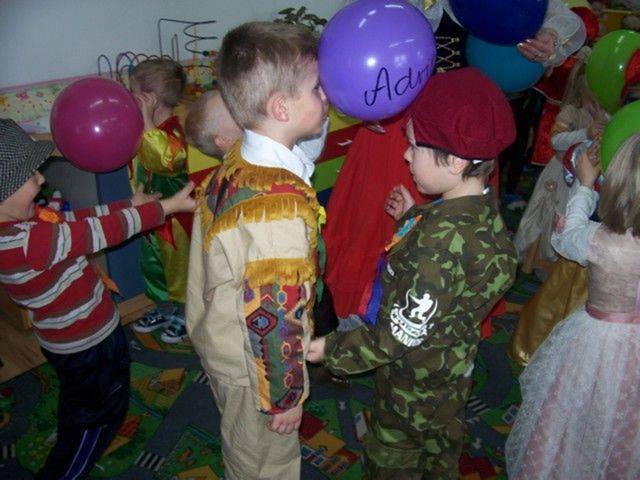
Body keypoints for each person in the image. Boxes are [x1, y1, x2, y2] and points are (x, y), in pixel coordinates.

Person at [307, 67, 518, 479]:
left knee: (393, 453)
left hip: (412, 381)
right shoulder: (482, 207)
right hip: (453, 367)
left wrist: (328, 350)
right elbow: (477, 257)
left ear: (454, 161)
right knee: (441, 445)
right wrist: (413, 216)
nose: (405, 156)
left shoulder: (434, 250)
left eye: (414, 147)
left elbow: (395, 337)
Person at [323, 0, 585, 321]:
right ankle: (367, 309)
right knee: (376, 219)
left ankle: (439, 316)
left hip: (464, 134)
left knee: (460, 224)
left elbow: (562, 18)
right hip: (399, 123)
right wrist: (368, 97)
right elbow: (361, 38)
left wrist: (548, 37)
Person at [0, 118, 196, 479]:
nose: (41, 179)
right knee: (92, 420)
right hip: (84, 344)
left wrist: (129, 204)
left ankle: (93, 415)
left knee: (92, 396)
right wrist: (164, 208)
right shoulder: (25, 243)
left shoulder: (26, 226)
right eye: (29, 175)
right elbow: (99, 232)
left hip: (86, 335)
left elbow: (78, 221)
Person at [185, 22, 328, 480]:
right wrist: (284, 397)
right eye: (317, 88)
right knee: (264, 460)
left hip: (221, 333)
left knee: (242, 437)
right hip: (256, 367)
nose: (326, 95)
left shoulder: (238, 158)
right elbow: (273, 311)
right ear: (281, 107)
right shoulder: (277, 210)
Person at [505, 135, 640, 479]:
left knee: (569, 412)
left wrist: (585, 185)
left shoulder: (602, 240)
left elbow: (567, 239)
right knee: (625, 420)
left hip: (595, 342)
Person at [184, 90, 338, 337]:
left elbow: (308, 147)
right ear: (223, 140)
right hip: (280, 296)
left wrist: (318, 108)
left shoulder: (256, 161)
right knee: (313, 329)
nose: (244, 108)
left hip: (298, 281)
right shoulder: (244, 181)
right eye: (233, 110)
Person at [129, 58, 192, 344]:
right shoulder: (144, 128)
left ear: (150, 99)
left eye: (134, 93)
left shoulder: (173, 130)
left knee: (180, 270)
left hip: (177, 219)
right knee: (153, 267)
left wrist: (145, 120)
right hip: (151, 214)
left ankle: (186, 315)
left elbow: (165, 159)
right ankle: (165, 309)